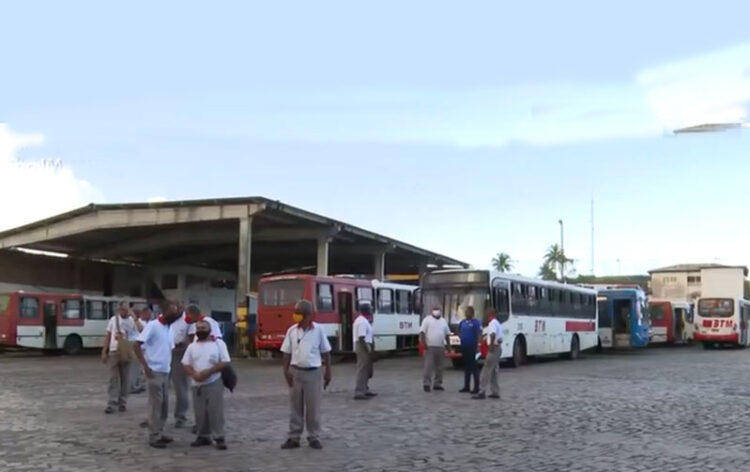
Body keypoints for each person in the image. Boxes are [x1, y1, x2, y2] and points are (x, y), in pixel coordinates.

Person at [280, 299, 332, 450]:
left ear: (308, 315)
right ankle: (294, 437)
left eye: (299, 313)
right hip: (295, 372)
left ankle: (313, 436)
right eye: (295, 312)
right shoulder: (291, 331)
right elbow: (286, 352)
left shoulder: (318, 330)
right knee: (295, 407)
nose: (296, 315)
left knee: (313, 407)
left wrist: (328, 371)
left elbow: (326, 352)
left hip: (313, 373)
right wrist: (285, 371)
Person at [134, 301, 181, 448]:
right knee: (156, 405)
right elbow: (137, 344)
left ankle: (160, 431)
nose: (175, 315)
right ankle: (154, 436)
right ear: (165, 311)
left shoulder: (169, 328)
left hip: (165, 371)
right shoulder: (153, 326)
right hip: (154, 370)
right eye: (173, 311)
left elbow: (170, 348)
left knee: (164, 405)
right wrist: (145, 366)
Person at [182, 319, 231, 451]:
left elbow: (225, 361)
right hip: (197, 383)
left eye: (203, 327)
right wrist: (194, 375)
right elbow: (186, 364)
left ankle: (219, 437)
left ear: (210, 329)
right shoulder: (192, 346)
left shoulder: (218, 344)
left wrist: (208, 372)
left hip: (214, 381)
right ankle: (203, 436)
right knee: (200, 412)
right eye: (198, 328)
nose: (200, 330)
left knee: (215, 411)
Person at [101, 302, 138, 414]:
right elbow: (108, 335)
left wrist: (135, 318)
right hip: (114, 351)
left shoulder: (132, 321)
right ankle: (111, 402)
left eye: (126, 310)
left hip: (126, 351)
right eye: (122, 309)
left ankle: (123, 402)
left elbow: (139, 334)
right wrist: (104, 351)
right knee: (113, 378)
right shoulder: (113, 320)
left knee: (125, 379)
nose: (123, 312)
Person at [169, 306, 193, 428]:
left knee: (181, 387)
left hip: (180, 351)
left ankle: (180, 416)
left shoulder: (188, 320)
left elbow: (193, 339)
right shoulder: (167, 320)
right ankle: (156, 416)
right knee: (158, 387)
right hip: (165, 352)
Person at [473, 309, 503, 400]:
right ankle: (495, 391)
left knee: (486, 369)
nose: (485, 316)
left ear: (491, 314)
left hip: (494, 348)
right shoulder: (498, 323)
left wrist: (490, 345)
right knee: (494, 371)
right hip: (498, 348)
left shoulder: (492, 323)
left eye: (487, 314)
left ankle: (482, 391)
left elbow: (493, 334)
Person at [420, 307, 450, 392]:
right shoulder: (427, 320)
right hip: (430, 347)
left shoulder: (443, 321)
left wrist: (449, 346)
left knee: (440, 367)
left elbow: (447, 334)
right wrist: (423, 343)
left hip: (441, 346)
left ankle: (437, 383)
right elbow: (422, 332)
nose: (437, 312)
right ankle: (426, 384)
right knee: (428, 366)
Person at [353, 303, 376, 400]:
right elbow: (361, 337)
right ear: (366, 311)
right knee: (362, 368)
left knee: (366, 368)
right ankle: (359, 391)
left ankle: (365, 388)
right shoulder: (362, 321)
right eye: (370, 309)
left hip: (365, 344)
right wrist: (367, 349)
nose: (372, 311)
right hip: (363, 345)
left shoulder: (364, 320)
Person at [458, 306, 482, 394]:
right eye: (466, 311)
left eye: (468, 312)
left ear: (472, 313)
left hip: (473, 347)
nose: (467, 313)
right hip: (465, 347)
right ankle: (466, 386)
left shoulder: (476, 323)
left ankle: (476, 387)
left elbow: (479, 334)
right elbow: (459, 331)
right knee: (467, 367)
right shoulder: (462, 322)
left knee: (474, 367)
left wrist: (478, 345)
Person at [130, 307, 152, 394]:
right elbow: (141, 330)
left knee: (141, 368)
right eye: (148, 314)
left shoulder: (149, 323)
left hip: (145, 349)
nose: (150, 316)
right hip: (138, 348)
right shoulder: (138, 322)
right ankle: (134, 386)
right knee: (135, 368)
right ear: (144, 314)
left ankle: (139, 384)